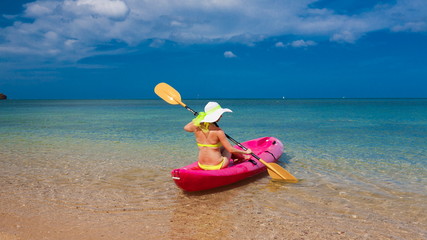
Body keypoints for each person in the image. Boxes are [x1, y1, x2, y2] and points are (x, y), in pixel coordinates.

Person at [184, 102, 252, 170]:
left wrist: (199, 119)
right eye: (220, 114)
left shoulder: (196, 127)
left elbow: (186, 127)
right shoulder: (218, 131)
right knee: (229, 147)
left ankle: (239, 157)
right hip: (217, 166)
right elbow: (230, 150)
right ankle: (243, 157)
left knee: (221, 146)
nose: (221, 116)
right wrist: (246, 152)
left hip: (201, 164)